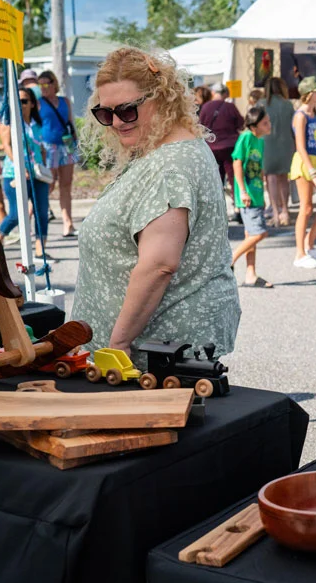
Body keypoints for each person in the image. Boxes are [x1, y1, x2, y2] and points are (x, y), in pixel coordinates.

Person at [72, 48, 240, 368]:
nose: (117, 122)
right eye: (105, 114)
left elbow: (159, 265)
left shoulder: (170, 165)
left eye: (127, 110)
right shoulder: (168, 149)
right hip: (151, 348)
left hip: (149, 353)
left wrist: (118, 344)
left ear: (162, 99)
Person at [0, 87, 51, 259]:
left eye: (24, 101)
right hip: (14, 174)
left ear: (33, 104)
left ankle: (40, 249)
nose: (20, 104)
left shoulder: (37, 124)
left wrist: (43, 158)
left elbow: (40, 145)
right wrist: (21, 167)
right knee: (15, 214)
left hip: (38, 173)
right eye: (17, 101)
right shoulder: (8, 122)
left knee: (42, 212)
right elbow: (6, 146)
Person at [289, 76, 316, 268]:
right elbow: (301, 146)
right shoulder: (300, 116)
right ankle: (300, 254)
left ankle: (309, 242)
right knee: (306, 208)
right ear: (309, 94)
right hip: (304, 163)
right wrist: (314, 173)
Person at [231, 106, 273, 288]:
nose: (269, 125)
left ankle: (250, 274)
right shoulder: (246, 138)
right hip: (247, 194)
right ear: (254, 125)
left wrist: (263, 192)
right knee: (259, 233)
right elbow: (237, 163)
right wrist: (242, 190)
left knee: (251, 235)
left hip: (256, 193)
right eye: (265, 123)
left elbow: (260, 168)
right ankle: (228, 261)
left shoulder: (260, 141)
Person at [37, 70, 79, 238]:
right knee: (48, 185)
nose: (43, 88)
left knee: (66, 185)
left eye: (46, 84)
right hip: (49, 147)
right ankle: (33, 219)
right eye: (40, 85)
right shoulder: (38, 103)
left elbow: (70, 123)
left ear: (54, 84)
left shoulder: (64, 101)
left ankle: (68, 224)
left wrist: (76, 143)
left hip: (66, 145)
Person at [198, 82, 245, 194]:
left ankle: (218, 203)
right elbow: (241, 124)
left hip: (212, 148)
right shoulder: (230, 107)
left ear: (213, 93)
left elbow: (200, 126)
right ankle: (237, 204)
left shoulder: (205, 107)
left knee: (216, 178)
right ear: (225, 94)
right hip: (230, 147)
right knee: (233, 176)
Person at [262, 77, 296, 228]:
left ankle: (275, 213)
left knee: (271, 179)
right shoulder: (288, 105)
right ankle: (285, 212)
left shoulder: (261, 104)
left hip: (267, 143)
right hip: (286, 143)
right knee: (284, 178)